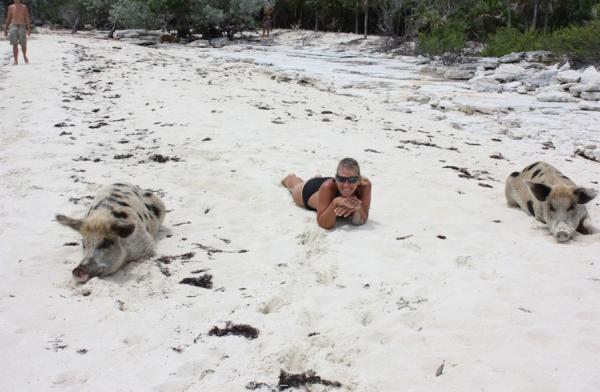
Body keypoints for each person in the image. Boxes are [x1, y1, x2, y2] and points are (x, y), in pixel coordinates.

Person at [281, 158, 372, 230]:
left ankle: (318, 178)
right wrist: (335, 202)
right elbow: (324, 224)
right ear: (336, 178)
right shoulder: (328, 187)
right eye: (341, 179)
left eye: (352, 180)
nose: (346, 185)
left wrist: (357, 207)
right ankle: (292, 177)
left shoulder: (365, 186)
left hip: (329, 187)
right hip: (311, 191)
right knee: (294, 186)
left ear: (359, 180)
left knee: (339, 186)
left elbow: (361, 220)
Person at [4, 0, 31, 65]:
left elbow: (27, 18)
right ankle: (16, 61)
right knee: (14, 44)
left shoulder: (24, 7)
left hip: (22, 26)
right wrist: (5, 29)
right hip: (13, 26)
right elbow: (8, 18)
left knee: (23, 44)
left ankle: (24, 55)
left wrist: (29, 29)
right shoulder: (11, 7)